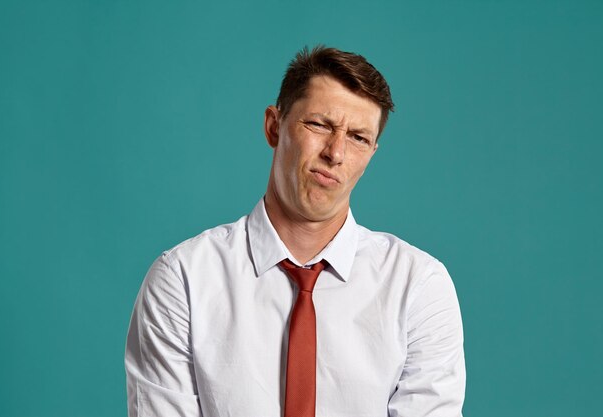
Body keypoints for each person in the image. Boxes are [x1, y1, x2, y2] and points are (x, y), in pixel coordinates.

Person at [125, 45, 466, 417]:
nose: (335, 153)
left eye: (358, 138)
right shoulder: (183, 280)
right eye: (320, 125)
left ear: (371, 154)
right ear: (274, 126)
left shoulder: (419, 287)